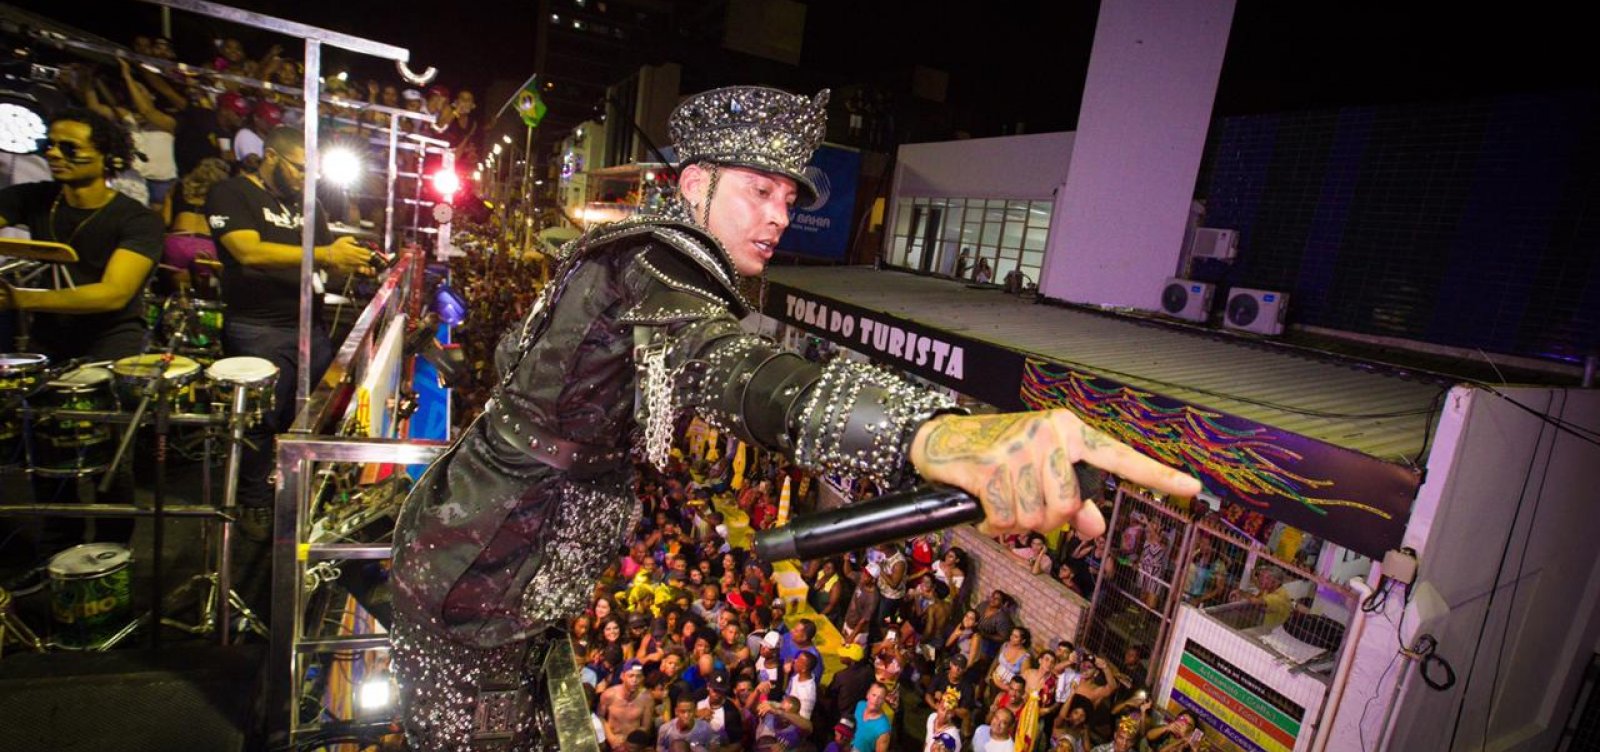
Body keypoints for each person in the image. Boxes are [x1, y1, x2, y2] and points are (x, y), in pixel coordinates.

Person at [387, 85, 1199, 749]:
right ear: (693, 182)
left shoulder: (632, 258)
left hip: (490, 572)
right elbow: (746, 377)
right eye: (758, 190)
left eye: (787, 196)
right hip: (478, 593)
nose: (778, 215)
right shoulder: (656, 266)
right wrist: (935, 432)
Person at [205, 125, 372, 537]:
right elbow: (247, 251)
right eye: (299, 168)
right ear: (271, 158)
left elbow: (326, 260)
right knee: (260, 421)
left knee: (307, 416)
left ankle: (295, 495)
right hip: (257, 327)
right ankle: (253, 502)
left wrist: (354, 263)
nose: (305, 178)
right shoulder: (232, 194)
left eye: (312, 171)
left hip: (308, 328)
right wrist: (324, 254)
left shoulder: (308, 203)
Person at [1, 109, 163, 360]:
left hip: (110, 342)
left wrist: (21, 298)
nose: (53, 154)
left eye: (69, 148)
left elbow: (114, 293)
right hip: (48, 337)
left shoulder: (138, 219)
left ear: (108, 158)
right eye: (50, 145)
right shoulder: (33, 198)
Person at [599, 661, 655, 752]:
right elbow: (600, 717)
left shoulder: (647, 699)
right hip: (611, 743)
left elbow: (645, 727)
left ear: (642, 678)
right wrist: (610, 737)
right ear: (622, 676)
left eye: (638, 676)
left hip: (632, 746)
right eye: (631, 676)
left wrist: (628, 742)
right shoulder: (609, 695)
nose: (635, 680)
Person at [850, 683, 893, 752]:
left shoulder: (883, 730)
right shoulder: (860, 705)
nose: (875, 700)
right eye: (874, 695)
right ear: (867, 695)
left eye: (880, 698)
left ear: (883, 702)